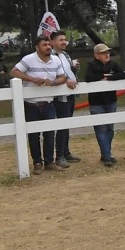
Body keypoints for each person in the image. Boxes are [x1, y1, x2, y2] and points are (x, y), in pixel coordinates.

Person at [11, 34, 69, 174]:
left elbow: (62, 77)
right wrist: (31, 79)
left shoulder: (55, 60)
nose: (48, 47)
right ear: (37, 47)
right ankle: (37, 162)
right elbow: (14, 72)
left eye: (49, 44)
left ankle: (49, 162)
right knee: (33, 135)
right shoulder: (29, 59)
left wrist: (53, 82)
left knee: (50, 133)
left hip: (48, 102)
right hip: (31, 104)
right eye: (45, 45)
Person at [83, 43, 125, 166]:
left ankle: (105, 154)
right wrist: (103, 76)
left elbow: (122, 74)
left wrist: (108, 78)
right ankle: (107, 156)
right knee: (101, 129)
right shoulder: (91, 65)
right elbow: (88, 77)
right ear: (97, 55)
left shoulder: (113, 64)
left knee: (110, 129)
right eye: (103, 53)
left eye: (107, 52)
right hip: (96, 103)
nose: (107, 54)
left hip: (111, 101)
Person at [50, 31, 81, 166]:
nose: (64, 42)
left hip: (70, 94)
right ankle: (60, 155)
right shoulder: (51, 56)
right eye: (60, 40)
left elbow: (68, 72)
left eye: (65, 40)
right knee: (62, 125)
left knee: (67, 125)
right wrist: (66, 80)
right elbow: (54, 75)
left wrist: (74, 69)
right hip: (60, 95)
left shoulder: (66, 55)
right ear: (53, 42)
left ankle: (66, 152)